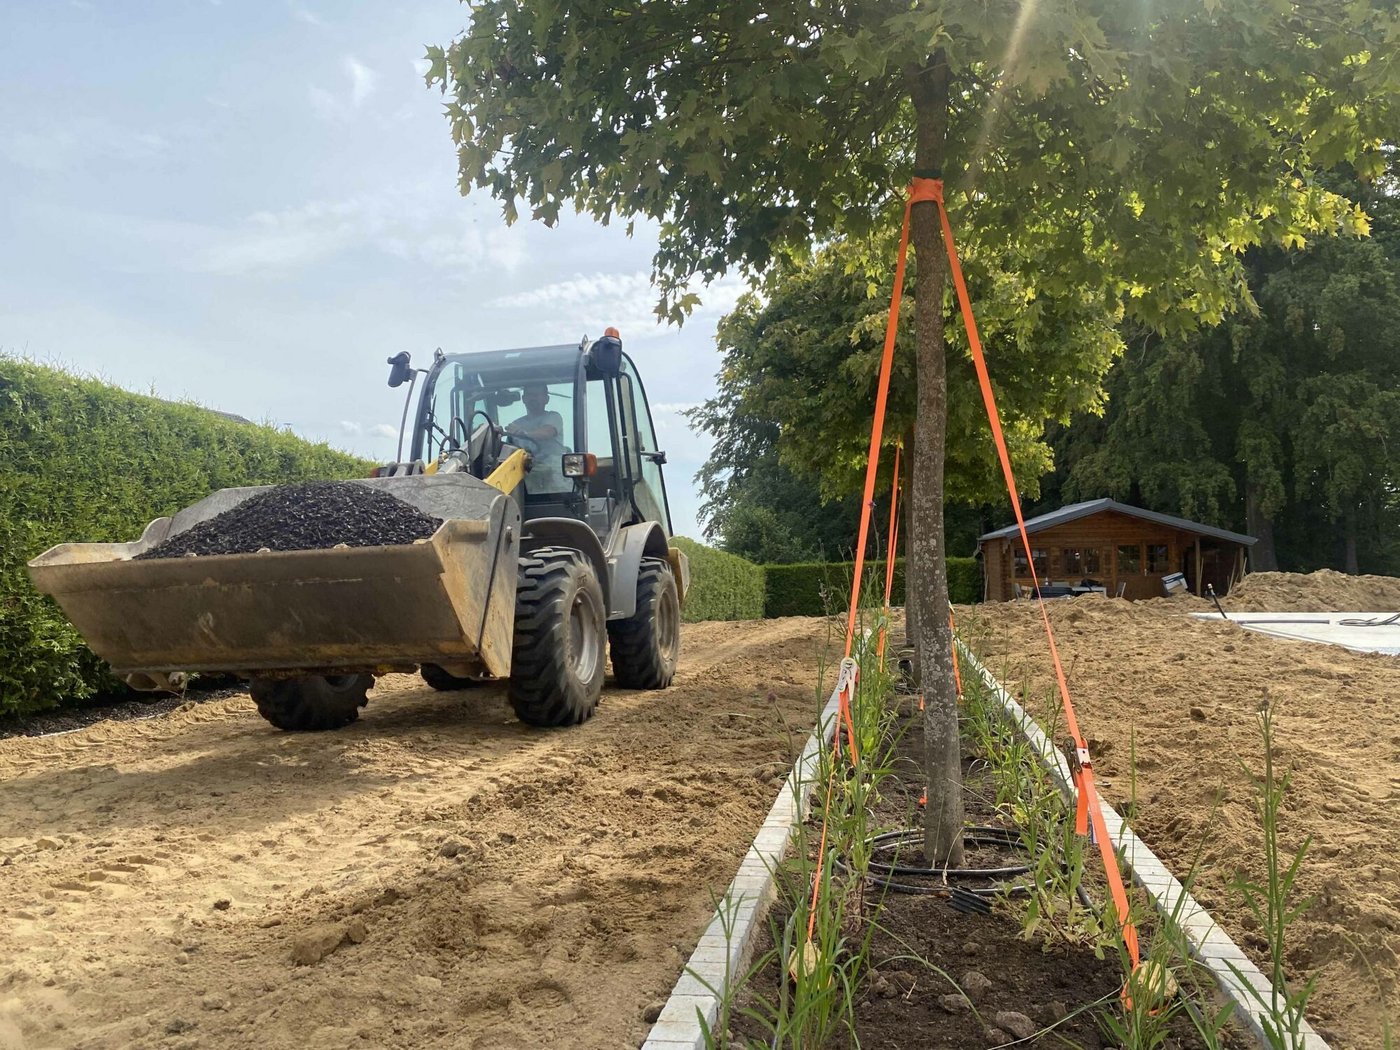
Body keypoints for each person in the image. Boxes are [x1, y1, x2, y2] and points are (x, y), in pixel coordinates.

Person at [506, 383, 567, 492]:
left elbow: (546, 433)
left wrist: (523, 433)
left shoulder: (553, 417)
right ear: (524, 399)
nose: (533, 398)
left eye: (537, 395)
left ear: (546, 399)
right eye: (529, 395)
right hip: (527, 477)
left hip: (554, 478)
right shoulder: (516, 424)